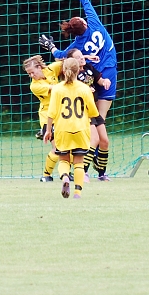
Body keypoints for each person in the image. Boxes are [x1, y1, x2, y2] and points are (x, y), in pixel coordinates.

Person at [39, 0, 117, 181]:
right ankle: (87, 169)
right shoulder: (95, 24)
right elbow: (85, 1)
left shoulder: (77, 47)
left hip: (92, 76)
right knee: (98, 124)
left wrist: (51, 46)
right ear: (85, 23)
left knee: (96, 129)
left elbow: (60, 55)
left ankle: (93, 168)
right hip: (104, 74)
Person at [43, 58, 101, 198]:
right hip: (81, 129)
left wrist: (48, 130)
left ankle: (65, 178)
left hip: (62, 129)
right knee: (79, 162)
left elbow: (51, 113)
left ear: (63, 71)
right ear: (78, 70)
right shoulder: (85, 88)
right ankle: (77, 193)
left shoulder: (57, 89)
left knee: (64, 160)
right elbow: (93, 112)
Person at [66, 49, 111, 182]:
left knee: (104, 141)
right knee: (94, 140)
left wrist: (105, 81)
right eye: (78, 57)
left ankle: (101, 173)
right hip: (82, 111)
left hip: (93, 110)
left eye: (82, 56)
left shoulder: (89, 68)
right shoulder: (72, 74)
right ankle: (82, 172)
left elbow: (99, 80)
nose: (82, 58)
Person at [23, 55, 61, 182]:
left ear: (39, 67)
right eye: (29, 74)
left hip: (62, 115)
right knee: (57, 148)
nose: (31, 76)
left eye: (32, 72)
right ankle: (46, 175)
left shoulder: (51, 69)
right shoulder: (34, 86)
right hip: (48, 117)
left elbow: (68, 62)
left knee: (68, 147)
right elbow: (56, 89)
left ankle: (66, 173)